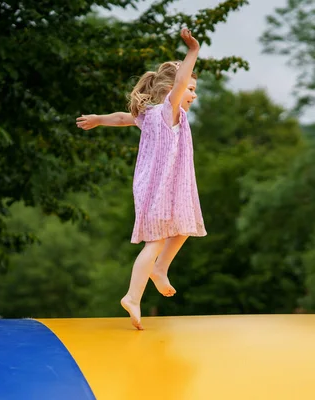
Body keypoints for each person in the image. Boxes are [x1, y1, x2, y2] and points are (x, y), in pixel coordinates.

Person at [76, 28, 206, 330]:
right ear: (174, 89)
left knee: (185, 227)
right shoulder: (166, 111)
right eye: (190, 89)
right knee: (156, 241)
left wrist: (99, 120)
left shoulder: (148, 114)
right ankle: (134, 296)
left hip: (164, 187)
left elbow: (123, 118)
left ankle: (160, 269)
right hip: (160, 187)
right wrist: (192, 52)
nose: (193, 94)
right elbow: (181, 82)